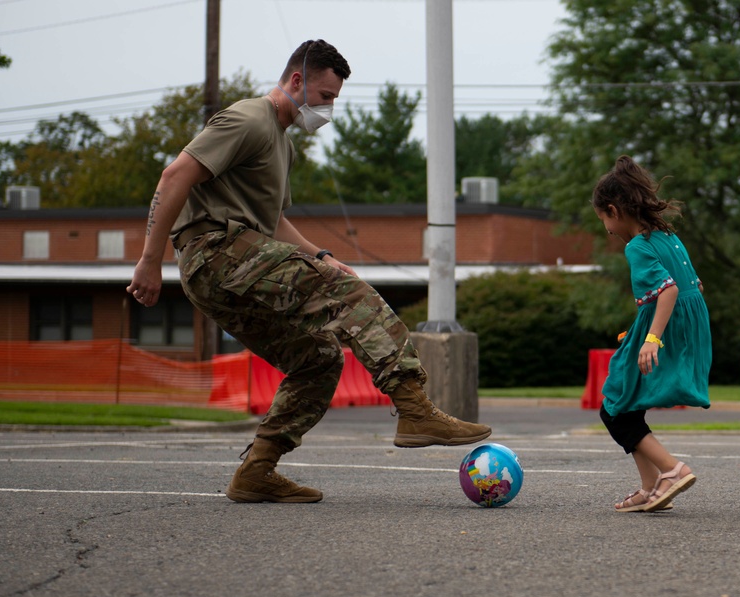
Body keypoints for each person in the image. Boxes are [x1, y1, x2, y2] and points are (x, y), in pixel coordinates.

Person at [125, 39, 491, 504]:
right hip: (215, 252)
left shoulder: (283, 145)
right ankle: (414, 407)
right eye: (325, 96)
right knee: (349, 294)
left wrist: (320, 257)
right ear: (297, 81)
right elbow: (174, 176)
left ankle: (257, 470)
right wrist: (149, 259)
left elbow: (273, 221)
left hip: (232, 267)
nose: (328, 108)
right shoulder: (248, 118)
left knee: (318, 358)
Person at [591, 156, 712, 513]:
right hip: (683, 325)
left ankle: (672, 470)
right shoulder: (668, 237)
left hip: (663, 327)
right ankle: (651, 486)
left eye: (604, 220)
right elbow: (695, 285)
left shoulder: (637, 246)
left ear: (613, 210)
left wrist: (652, 338)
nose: (607, 229)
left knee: (614, 404)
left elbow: (668, 290)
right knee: (627, 404)